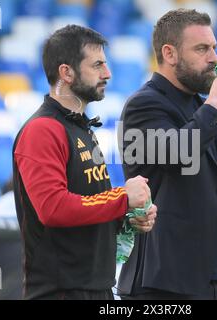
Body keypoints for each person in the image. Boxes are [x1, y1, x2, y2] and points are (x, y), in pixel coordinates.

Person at [117, 9, 217, 300]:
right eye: (201, 49)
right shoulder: (143, 105)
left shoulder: (196, 103)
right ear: (169, 53)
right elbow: (176, 155)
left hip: (206, 278)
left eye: (213, 48)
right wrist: (213, 105)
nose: (214, 59)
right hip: (162, 284)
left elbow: (196, 180)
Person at [12, 25, 157, 300]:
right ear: (66, 72)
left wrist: (124, 219)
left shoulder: (80, 128)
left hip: (94, 289)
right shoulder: (43, 129)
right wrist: (122, 198)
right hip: (60, 292)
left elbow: (86, 205)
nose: (108, 73)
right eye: (98, 65)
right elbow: (53, 208)